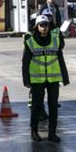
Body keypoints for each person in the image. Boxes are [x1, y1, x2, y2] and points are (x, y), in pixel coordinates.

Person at [23, 14, 69, 142]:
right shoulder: (30, 41)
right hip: (37, 80)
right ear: (37, 27)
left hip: (53, 79)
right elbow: (25, 62)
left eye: (46, 25)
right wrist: (26, 80)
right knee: (36, 106)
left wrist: (65, 78)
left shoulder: (55, 40)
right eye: (41, 25)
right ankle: (34, 131)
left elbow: (60, 58)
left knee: (53, 106)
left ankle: (52, 133)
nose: (44, 28)